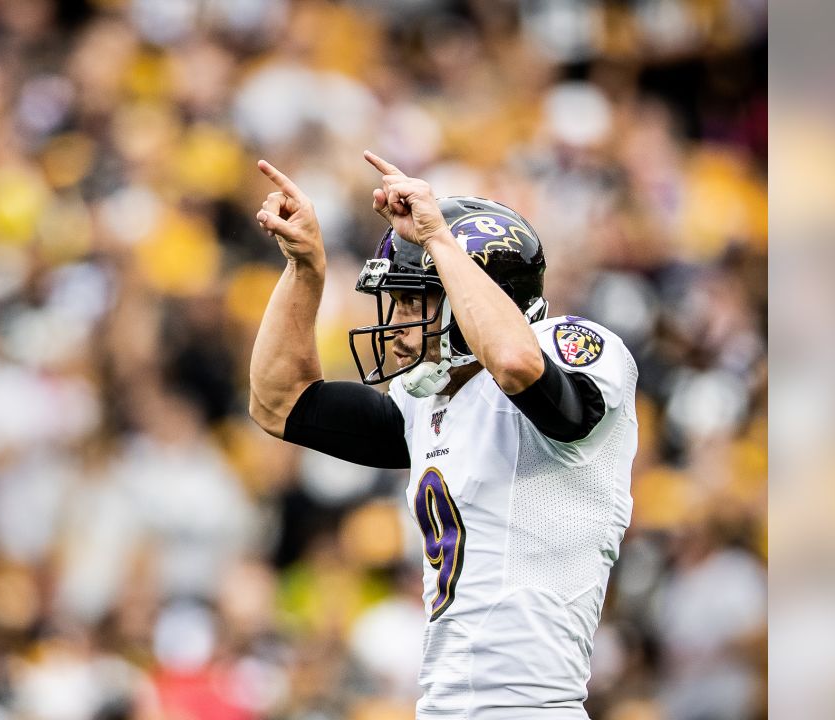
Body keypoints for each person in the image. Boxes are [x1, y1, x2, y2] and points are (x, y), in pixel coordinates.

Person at [247, 152, 638, 719]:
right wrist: (304, 269)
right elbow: (278, 401)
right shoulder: (426, 401)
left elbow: (514, 363)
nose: (397, 321)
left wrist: (439, 238)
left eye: (414, 299)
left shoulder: (571, 346)